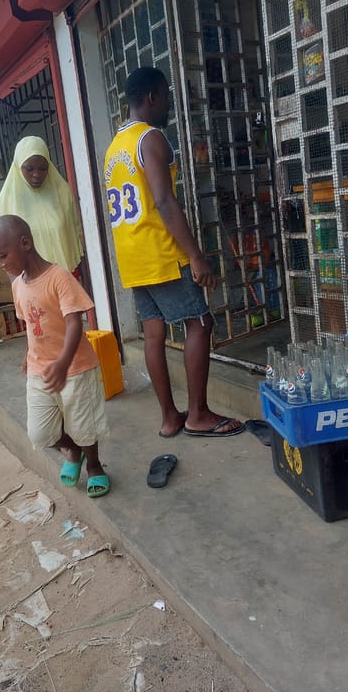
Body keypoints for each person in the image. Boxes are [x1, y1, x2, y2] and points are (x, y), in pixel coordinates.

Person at [104, 66, 244, 438]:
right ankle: (197, 414)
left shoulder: (114, 148)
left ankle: (170, 418)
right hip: (162, 254)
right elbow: (164, 202)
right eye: (165, 95)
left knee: (153, 334)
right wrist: (196, 256)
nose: (167, 103)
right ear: (151, 97)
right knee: (200, 323)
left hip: (133, 259)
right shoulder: (150, 138)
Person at [0, 215, 110, 497]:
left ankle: (94, 465)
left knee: (84, 425)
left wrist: (63, 362)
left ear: (25, 243)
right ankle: (72, 450)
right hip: (39, 370)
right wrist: (30, 353)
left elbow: (75, 322)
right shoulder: (18, 285)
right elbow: (31, 324)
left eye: (3, 256)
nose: (1, 264)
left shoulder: (58, 277)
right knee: (40, 434)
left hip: (74, 367)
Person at [0, 135, 84, 274]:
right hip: (29, 284)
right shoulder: (6, 204)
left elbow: (75, 236)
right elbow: (1, 254)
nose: (37, 174)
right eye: (29, 169)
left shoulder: (62, 194)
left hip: (67, 277)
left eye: (43, 169)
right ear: (18, 167)